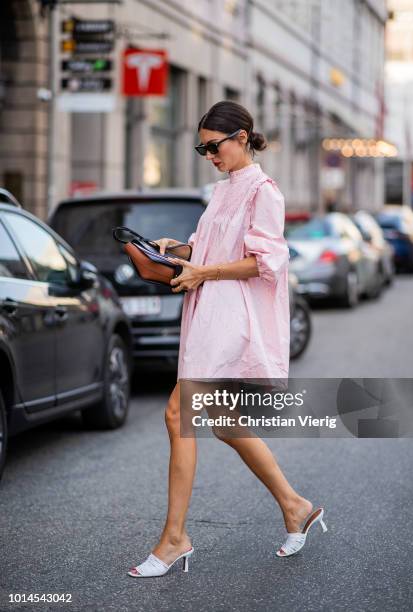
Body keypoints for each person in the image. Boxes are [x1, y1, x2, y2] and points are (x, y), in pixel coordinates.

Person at [127, 101, 327, 578]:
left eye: (213, 146)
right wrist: (176, 248)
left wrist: (205, 271)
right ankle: (295, 505)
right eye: (202, 148)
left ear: (241, 137)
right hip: (207, 309)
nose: (208, 155)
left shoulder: (265, 192)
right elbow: (208, 247)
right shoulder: (221, 192)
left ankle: (175, 538)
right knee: (220, 420)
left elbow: (264, 261)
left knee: (180, 412)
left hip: (230, 316)